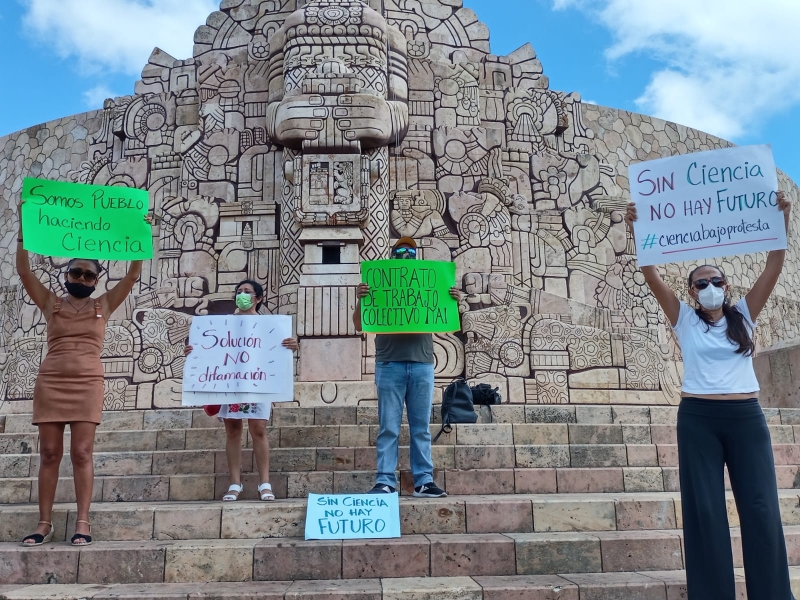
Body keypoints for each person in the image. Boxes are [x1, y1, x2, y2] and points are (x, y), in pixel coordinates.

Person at [625, 191, 793, 599]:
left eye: (717, 281)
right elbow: (649, 271)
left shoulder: (745, 315)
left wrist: (781, 218)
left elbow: (774, 264)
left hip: (747, 419)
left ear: (726, 285)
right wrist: (637, 226)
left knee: (761, 508)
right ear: (693, 290)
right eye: (702, 283)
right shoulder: (684, 318)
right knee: (705, 512)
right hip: (698, 419)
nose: (710, 286)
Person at [17, 203, 153, 547]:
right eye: (76, 273)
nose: (81, 279)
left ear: (97, 280)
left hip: (87, 383)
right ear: (67, 274)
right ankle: (43, 523)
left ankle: (82, 522)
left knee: (82, 452)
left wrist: (140, 234)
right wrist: (23, 228)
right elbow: (24, 272)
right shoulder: (52, 303)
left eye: (88, 275)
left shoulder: (102, 305)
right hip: (51, 383)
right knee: (49, 453)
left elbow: (133, 275)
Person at [352, 237, 461, 497]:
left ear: (416, 255)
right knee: (388, 426)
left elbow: (447, 321)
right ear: (392, 255)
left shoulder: (427, 284)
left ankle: (424, 481)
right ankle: (385, 481)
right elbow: (358, 324)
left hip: (422, 364)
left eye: (410, 251)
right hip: (389, 364)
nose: (405, 254)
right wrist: (361, 300)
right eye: (400, 250)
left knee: (420, 427)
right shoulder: (377, 286)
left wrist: (452, 300)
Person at [185, 279, 298, 501]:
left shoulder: (271, 326)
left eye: (247, 292)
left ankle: (264, 483)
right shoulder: (221, 325)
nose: (242, 295)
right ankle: (235, 483)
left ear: (258, 298)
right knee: (233, 431)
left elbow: (277, 353)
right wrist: (193, 351)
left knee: (258, 430)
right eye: (239, 291)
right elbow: (210, 350)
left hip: (257, 382)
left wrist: (291, 346)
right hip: (231, 382)